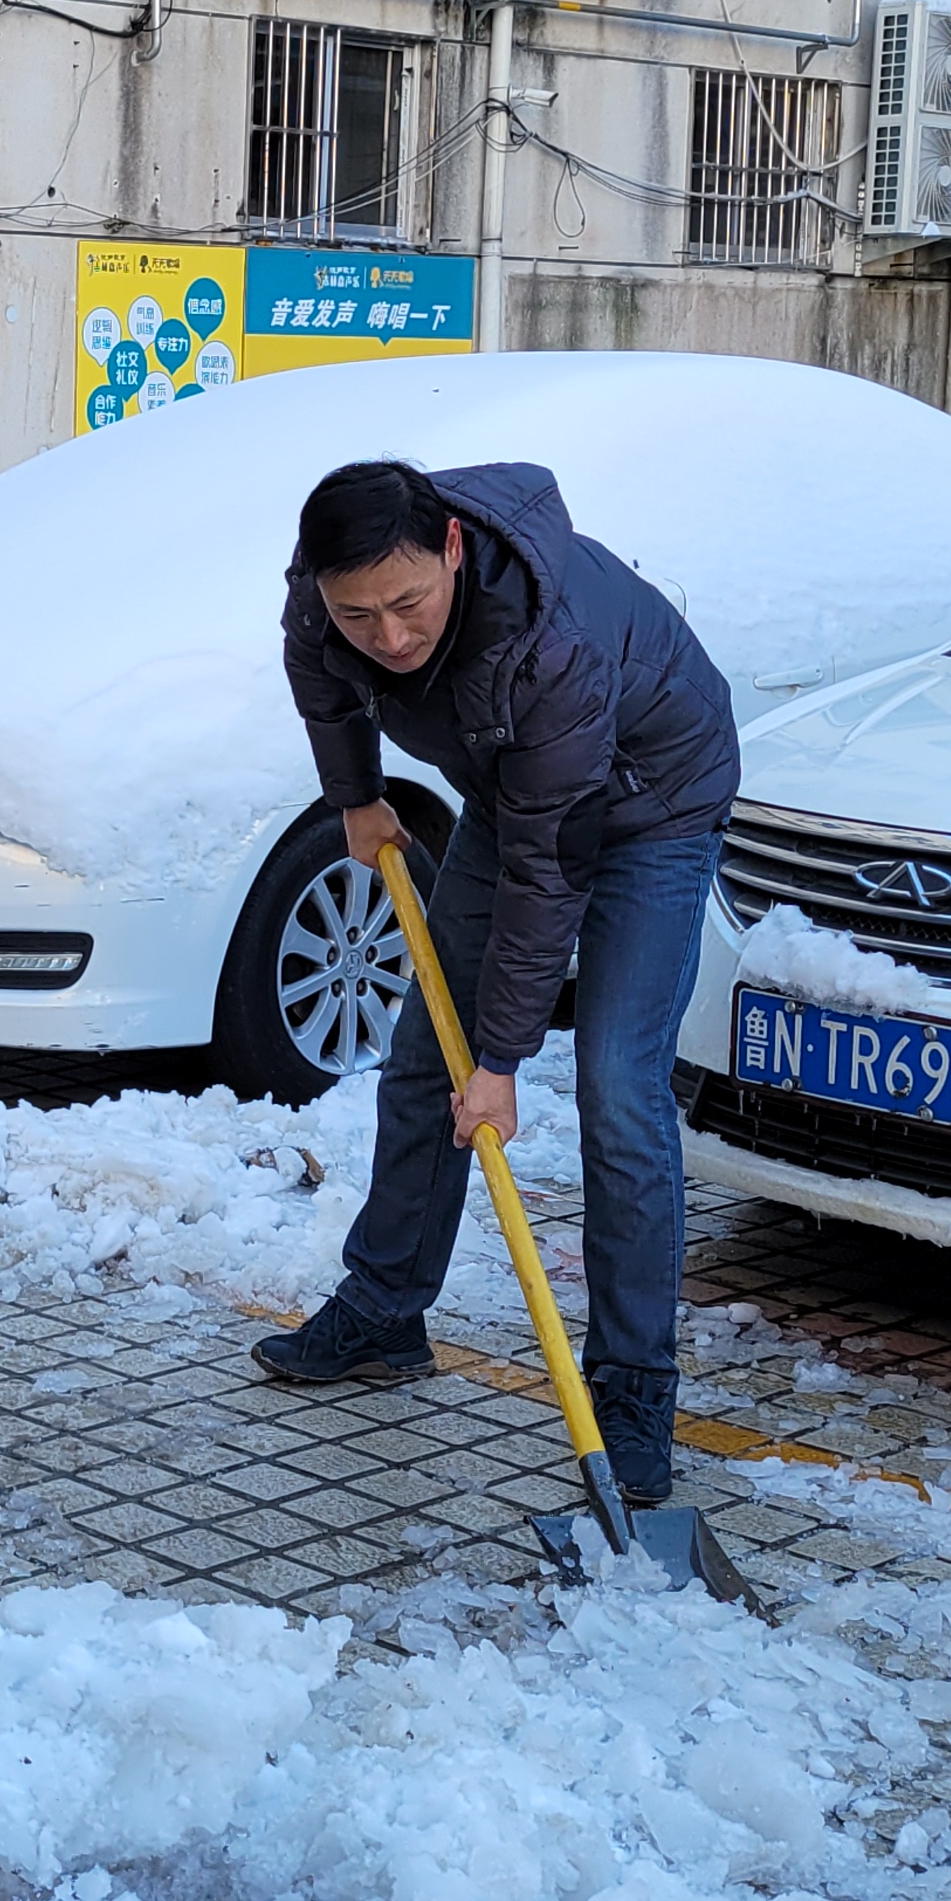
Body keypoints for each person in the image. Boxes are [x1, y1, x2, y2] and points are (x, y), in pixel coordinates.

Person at [252, 459, 741, 1505]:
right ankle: (386, 1308)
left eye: (408, 604)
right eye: (358, 613)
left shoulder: (547, 645)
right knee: (428, 1053)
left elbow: (548, 877)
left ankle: (633, 1382)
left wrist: (508, 1061)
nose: (386, 636)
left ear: (456, 553)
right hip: (521, 796)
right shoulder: (323, 603)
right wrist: (357, 795)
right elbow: (319, 673)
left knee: (616, 1085)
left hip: (652, 803)